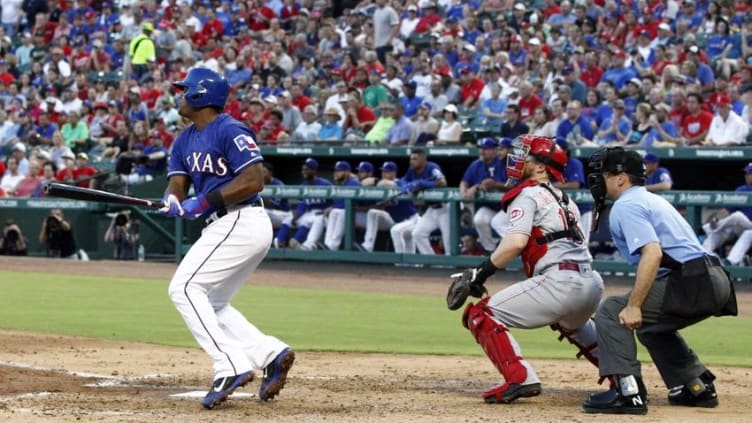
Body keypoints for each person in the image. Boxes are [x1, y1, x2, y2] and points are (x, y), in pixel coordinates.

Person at [158, 68, 294, 410]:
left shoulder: (229, 129)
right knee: (213, 302)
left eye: (185, 90)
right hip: (228, 225)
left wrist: (203, 201)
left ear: (202, 95)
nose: (179, 95)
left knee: (184, 288)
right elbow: (178, 181)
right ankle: (270, 353)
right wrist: (174, 198)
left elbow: (253, 180)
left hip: (242, 219)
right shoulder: (184, 139)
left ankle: (229, 365)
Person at [581, 147, 737, 415]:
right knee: (650, 327)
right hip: (714, 278)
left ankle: (627, 392)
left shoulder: (626, 205)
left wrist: (634, 305)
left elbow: (652, 253)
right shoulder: (650, 199)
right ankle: (696, 386)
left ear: (621, 178)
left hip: (694, 280)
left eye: (604, 175)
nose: (597, 180)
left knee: (611, 311)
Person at [451, 135, 602, 404]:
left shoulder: (528, 193)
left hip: (560, 281)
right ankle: (624, 376)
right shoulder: (565, 199)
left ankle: (520, 377)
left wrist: (481, 272)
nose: (518, 158)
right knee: (573, 324)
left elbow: (515, 243)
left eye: (526, 156)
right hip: (590, 281)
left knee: (481, 314)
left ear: (542, 167)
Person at [459, 137, 509, 252]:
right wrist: (463, 191)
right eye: (480, 148)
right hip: (491, 207)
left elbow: (512, 185)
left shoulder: (503, 162)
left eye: (485, 148)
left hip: (508, 206)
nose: (482, 151)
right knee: (479, 219)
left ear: (494, 150)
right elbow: (464, 181)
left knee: (497, 222)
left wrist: (492, 185)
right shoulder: (476, 164)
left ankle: (518, 250)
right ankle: (490, 251)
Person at [360, 161, 418, 253]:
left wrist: (375, 181)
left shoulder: (400, 182)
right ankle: (368, 246)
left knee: (410, 252)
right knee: (373, 212)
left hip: (411, 221)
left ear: (393, 173)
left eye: (386, 172)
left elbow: (389, 184)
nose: (383, 174)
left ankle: (403, 262)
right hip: (394, 221)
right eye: (383, 171)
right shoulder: (381, 187)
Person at [275, 158, 332, 250]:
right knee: (288, 220)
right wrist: (295, 218)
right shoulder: (303, 186)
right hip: (308, 214)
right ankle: (280, 242)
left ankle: (305, 245)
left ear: (314, 170)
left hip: (322, 215)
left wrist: (330, 208)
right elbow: (301, 208)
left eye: (307, 169)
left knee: (316, 220)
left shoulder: (325, 184)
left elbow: (335, 201)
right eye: (303, 169)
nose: (303, 172)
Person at [404, 148, 450, 255]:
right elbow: (404, 180)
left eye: (415, 159)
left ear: (423, 159)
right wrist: (405, 185)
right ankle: (432, 261)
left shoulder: (432, 167)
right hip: (431, 209)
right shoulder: (412, 169)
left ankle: (453, 267)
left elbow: (443, 182)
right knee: (417, 234)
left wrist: (423, 183)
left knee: (449, 241)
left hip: (445, 208)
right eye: (411, 159)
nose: (412, 161)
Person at [701, 163, 752, 256]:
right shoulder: (742, 189)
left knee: (738, 216)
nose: (746, 176)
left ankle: (711, 228)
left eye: (749, 173)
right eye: (746, 173)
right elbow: (727, 210)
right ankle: (703, 255)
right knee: (721, 232)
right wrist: (715, 218)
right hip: (741, 228)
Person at [553, 138, 593, 244]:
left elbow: (575, 184)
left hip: (582, 209)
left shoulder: (574, 163)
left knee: (583, 244)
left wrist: (555, 185)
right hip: (563, 210)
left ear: (565, 151)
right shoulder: (551, 165)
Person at [323, 161, 360, 251]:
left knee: (340, 212)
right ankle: (327, 244)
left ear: (347, 172)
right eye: (336, 171)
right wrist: (332, 207)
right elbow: (338, 203)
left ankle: (334, 245)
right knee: (332, 212)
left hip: (356, 213)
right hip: (342, 212)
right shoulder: (340, 183)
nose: (336, 173)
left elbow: (346, 204)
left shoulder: (353, 182)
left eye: (339, 171)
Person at [261, 163, 293, 239]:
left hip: (284, 214)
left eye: (264, 172)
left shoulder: (278, 184)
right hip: (273, 215)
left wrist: (258, 194)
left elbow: (273, 205)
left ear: (270, 173)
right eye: (261, 172)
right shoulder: (262, 184)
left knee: (262, 212)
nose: (262, 175)